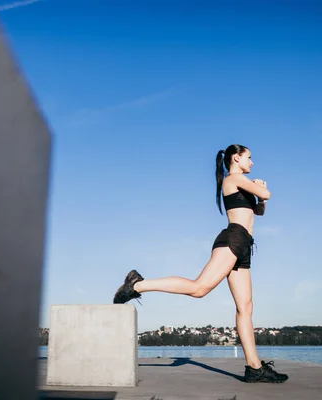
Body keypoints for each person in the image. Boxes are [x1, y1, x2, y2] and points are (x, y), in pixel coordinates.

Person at [113, 144, 288, 384]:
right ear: (236, 158)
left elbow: (259, 210)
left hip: (245, 246)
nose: (252, 162)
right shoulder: (233, 179)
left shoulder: (242, 184)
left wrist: (260, 194)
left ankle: (254, 367)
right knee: (199, 288)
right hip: (233, 240)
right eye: (249, 157)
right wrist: (262, 189)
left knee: (245, 307)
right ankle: (138, 285)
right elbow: (266, 195)